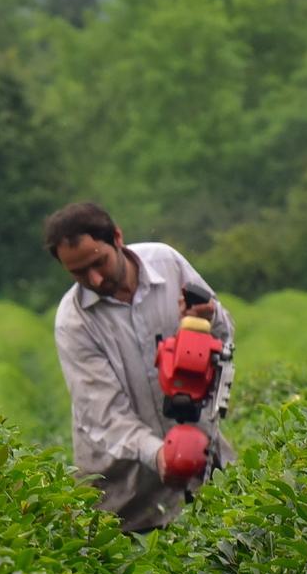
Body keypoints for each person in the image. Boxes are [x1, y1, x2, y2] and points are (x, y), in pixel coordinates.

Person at [45, 200, 235, 532]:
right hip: (124, 486)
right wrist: (160, 455)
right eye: (78, 272)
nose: (94, 277)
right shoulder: (73, 322)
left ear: (117, 238)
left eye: (98, 262)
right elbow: (103, 416)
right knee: (133, 567)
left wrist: (207, 318)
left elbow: (223, 333)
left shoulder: (168, 264)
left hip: (199, 456)